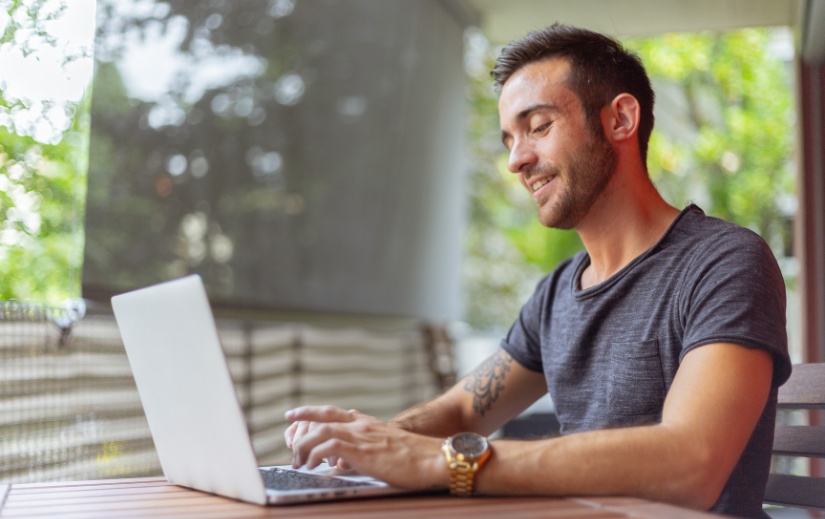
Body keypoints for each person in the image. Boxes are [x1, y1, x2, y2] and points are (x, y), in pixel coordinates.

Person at [284, 24, 791, 519]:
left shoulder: (723, 263)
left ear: (620, 120)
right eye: (509, 139)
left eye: (539, 127)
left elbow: (691, 466)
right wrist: (373, 442)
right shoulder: (557, 293)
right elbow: (464, 412)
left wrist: (445, 462)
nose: (516, 160)